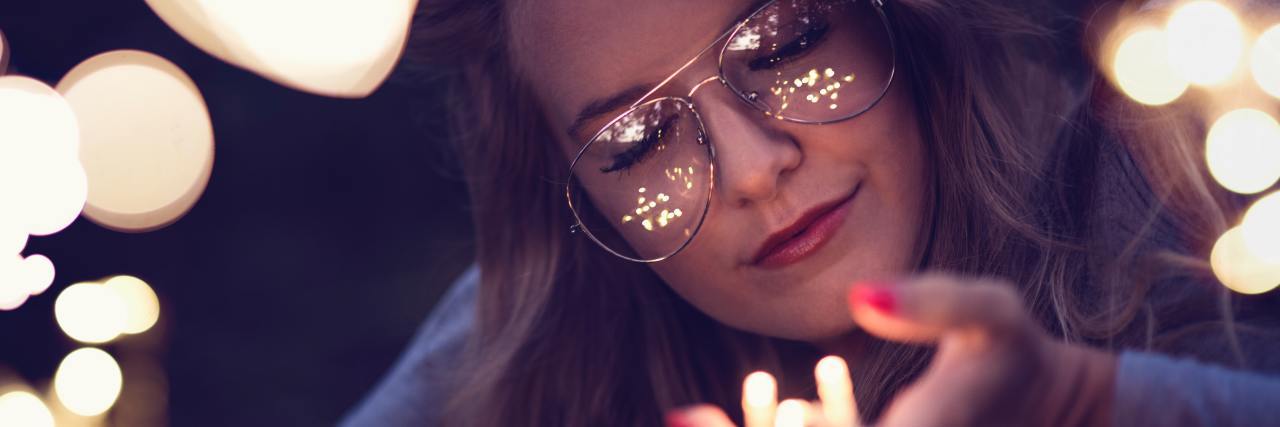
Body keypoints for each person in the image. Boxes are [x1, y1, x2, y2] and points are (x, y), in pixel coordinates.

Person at [343, 0, 1280, 425]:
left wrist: (1092, 408)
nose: (754, 169)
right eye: (634, 143)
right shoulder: (512, 355)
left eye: (785, 43)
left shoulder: (1193, 196)